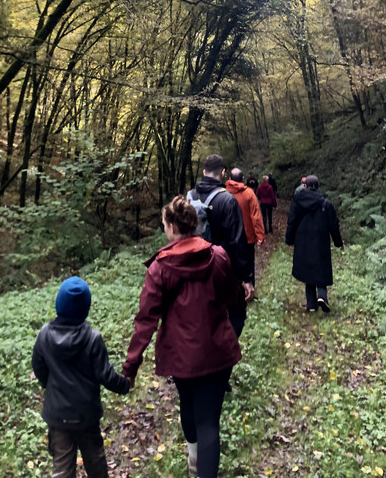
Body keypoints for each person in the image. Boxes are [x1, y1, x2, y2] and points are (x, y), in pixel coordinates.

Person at [122, 195, 241, 478]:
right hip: (217, 351)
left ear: (173, 227)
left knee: (188, 404)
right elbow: (232, 297)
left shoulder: (160, 268)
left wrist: (130, 367)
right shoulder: (219, 256)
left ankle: (194, 461)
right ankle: (202, 468)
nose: (164, 229)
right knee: (210, 421)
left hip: (183, 355)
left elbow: (146, 320)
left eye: (164, 224)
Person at [32, 277, 130, 478]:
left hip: (57, 414)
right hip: (86, 414)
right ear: (86, 307)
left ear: (58, 303)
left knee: (62, 466)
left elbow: (38, 366)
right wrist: (124, 385)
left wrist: (49, 387)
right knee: (95, 461)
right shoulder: (93, 338)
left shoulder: (44, 335)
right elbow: (106, 375)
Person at [188, 154, 253, 336]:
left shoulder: (189, 197)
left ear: (203, 172)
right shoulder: (227, 200)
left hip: (194, 267)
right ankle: (224, 350)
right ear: (223, 172)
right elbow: (237, 241)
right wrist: (246, 278)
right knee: (236, 315)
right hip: (222, 269)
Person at [285, 175, 344, 313]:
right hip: (320, 240)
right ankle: (322, 296)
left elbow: (292, 221)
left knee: (307, 269)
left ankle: (311, 304)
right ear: (318, 187)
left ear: (305, 186)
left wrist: (289, 239)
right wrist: (338, 242)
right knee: (321, 267)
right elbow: (333, 225)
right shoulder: (326, 204)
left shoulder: (297, 202)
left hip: (303, 241)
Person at [225, 168, 265, 286]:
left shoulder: (223, 193)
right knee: (248, 263)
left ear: (229, 179)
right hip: (247, 236)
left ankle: (234, 289)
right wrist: (260, 236)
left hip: (229, 236)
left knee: (230, 262)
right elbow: (255, 216)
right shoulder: (249, 193)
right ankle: (250, 288)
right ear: (243, 179)